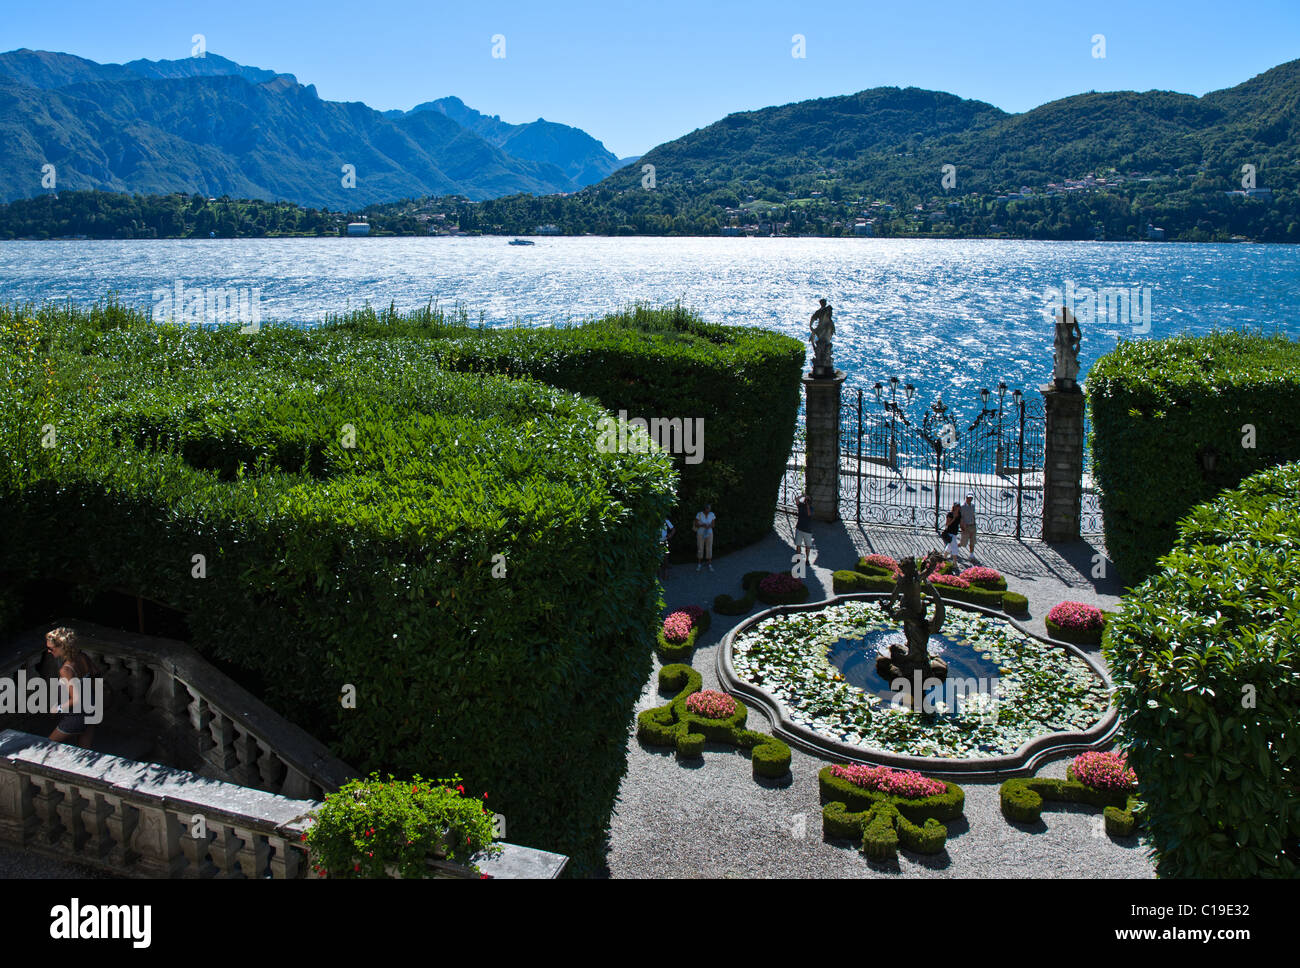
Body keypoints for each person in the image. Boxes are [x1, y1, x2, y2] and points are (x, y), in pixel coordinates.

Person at [45, 627, 99, 749]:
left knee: (47, 746)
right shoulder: (83, 656)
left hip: (77, 715)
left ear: (62, 647)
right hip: (92, 708)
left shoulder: (66, 670)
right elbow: (96, 673)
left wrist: (57, 709)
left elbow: (76, 699)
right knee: (84, 750)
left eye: (50, 648)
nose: (48, 651)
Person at [694, 503, 716, 571]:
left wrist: (708, 526)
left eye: (710, 508)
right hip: (701, 532)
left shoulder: (712, 514)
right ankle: (699, 564)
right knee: (700, 547)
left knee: (709, 547)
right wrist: (703, 525)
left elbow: (713, 525)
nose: (709, 509)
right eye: (708, 508)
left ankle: (709, 564)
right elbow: (696, 524)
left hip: (709, 532)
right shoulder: (699, 514)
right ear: (705, 509)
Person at [794, 493, 815, 563]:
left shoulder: (811, 508)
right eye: (806, 500)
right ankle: (798, 558)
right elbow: (796, 500)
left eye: (808, 500)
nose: (806, 501)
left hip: (807, 530)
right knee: (798, 544)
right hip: (799, 528)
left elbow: (809, 514)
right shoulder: (801, 505)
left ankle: (807, 559)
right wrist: (802, 496)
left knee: (808, 546)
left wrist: (808, 506)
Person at [958, 492, 978, 560]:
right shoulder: (962, 506)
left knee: (973, 541)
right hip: (966, 526)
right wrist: (962, 526)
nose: (970, 499)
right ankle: (953, 548)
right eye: (968, 498)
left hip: (972, 526)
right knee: (963, 542)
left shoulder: (973, 506)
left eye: (971, 498)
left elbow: (973, 515)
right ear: (966, 498)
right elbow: (961, 517)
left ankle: (971, 554)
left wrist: (974, 523)